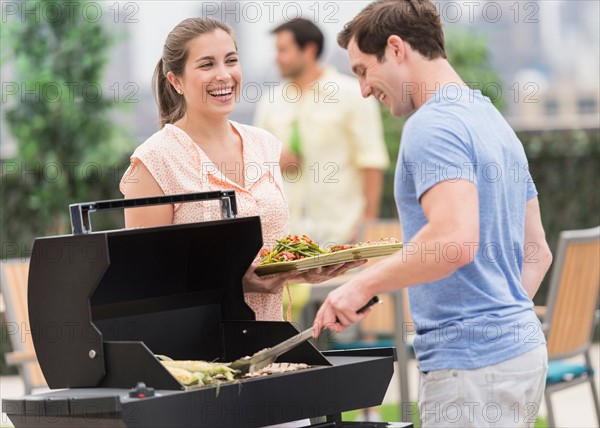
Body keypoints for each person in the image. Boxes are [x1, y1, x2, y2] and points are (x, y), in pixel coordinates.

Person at [313, 1, 553, 427]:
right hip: (521, 353)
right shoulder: (491, 120)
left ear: (396, 48)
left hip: (470, 367)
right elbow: (537, 251)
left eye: (363, 70)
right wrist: (502, 321)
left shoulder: (431, 125)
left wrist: (358, 286)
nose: (365, 89)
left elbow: (453, 242)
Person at [120, 17, 358, 324]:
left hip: (270, 343)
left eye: (231, 60)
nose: (224, 75)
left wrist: (304, 270)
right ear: (175, 81)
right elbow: (145, 278)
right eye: (207, 65)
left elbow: (266, 263)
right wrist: (234, 282)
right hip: (196, 356)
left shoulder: (265, 145)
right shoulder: (153, 161)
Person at [254, 18, 389, 247]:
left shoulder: (352, 96)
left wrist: (367, 225)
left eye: (283, 50)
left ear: (309, 50)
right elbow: (254, 161)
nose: (277, 58)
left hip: (342, 236)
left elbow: (371, 161)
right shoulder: (270, 102)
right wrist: (273, 160)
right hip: (287, 241)